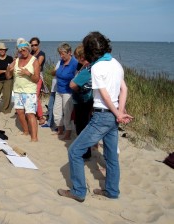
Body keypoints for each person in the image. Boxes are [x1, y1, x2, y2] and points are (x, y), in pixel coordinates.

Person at [58, 31, 133, 202]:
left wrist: (117, 114)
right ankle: (112, 191)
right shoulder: (116, 63)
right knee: (111, 156)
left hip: (103, 116)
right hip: (112, 117)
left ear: (90, 50)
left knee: (75, 151)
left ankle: (78, 191)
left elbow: (105, 96)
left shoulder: (97, 67)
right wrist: (120, 112)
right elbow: (124, 90)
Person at [6, 38, 40, 142]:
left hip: (29, 91)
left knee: (30, 114)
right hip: (17, 91)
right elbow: (8, 77)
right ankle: (26, 131)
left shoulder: (34, 61)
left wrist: (28, 73)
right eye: (20, 51)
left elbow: (36, 79)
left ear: (28, 49)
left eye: (24, 50)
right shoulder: (16, 60)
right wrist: (8, 70)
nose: (22, 52)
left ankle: (34, 138)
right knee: (20, 112)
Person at [70, 44, 93, 159]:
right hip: (79, 100)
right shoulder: (84, 67)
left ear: (81, 56)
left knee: (83, 126)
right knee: (80, 125)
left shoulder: (88, 67)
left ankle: (85, 153)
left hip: (84, 101)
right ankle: (84, 151)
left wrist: (77, 87)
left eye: (77, 57)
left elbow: (75, 84)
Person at [53, 43, 78, 140]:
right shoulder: (61, 62)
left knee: (67, 112)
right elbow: (56, 73)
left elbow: (77, 77)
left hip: (68, 92)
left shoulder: (75, 63)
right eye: (60, 54)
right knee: (56, 111)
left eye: (63, 54)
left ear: (69, 53)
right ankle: (60, 130)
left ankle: (68, 132)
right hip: (59, 90)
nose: (61, 56)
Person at [30, 37, 46, 125]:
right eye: (32, 45)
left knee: (35, 96)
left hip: (38, 76)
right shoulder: (30, 53)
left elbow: (38, 64)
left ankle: (41, 116)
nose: (33, 47)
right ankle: (34, 113)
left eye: (35, 45)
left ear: (38, 45)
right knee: (31, 95)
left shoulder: (41, 54)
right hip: (30, 76)